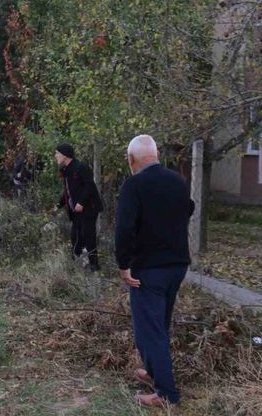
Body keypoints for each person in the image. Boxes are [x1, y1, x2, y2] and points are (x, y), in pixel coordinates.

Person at [114, 135, 195, 408]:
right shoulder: (178, 182)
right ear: (156, 156)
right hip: (177, 265)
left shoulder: (134, 185)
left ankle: (166, 394)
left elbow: (124, 229)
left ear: (131, 159)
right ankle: (153, 374)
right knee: (159, 324)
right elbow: (189, 209)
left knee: (150, 331)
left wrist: (123, 264)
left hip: (148, 269)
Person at [54, 143, 103, 271]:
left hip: (89, 208)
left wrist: (81, 202)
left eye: (57, 154)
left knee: (88, 236)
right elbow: (68, 191)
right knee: (75, 237)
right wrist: (58, 205)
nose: (55, 156)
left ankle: (94, 266)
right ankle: (78, 264)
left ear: (64, 155)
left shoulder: (80, 167)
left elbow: (90, 186)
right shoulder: (66, 170)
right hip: (76, 211)